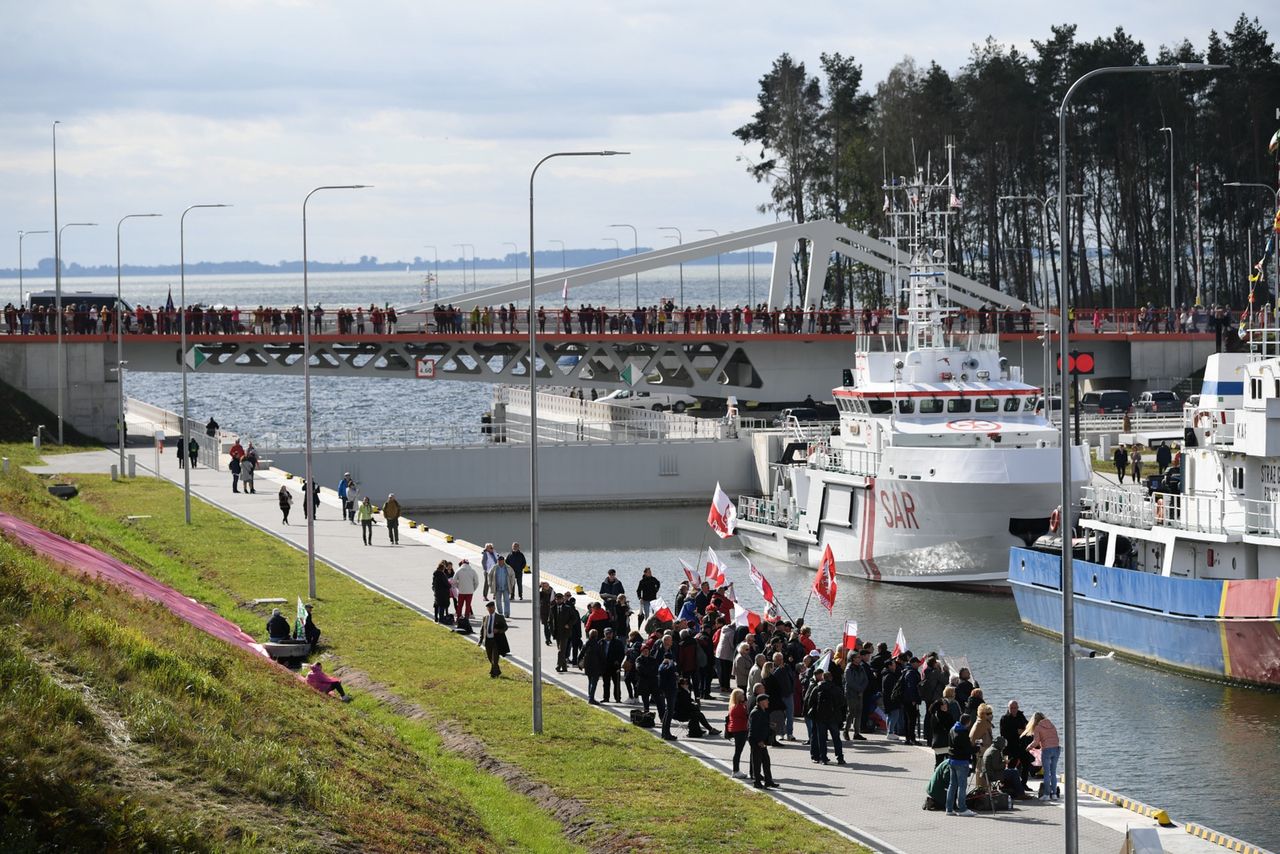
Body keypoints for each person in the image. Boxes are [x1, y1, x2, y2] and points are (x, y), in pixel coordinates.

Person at [1026, 711, 1061, 800]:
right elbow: (1057, 737)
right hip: (1056, 749)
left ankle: (1046, 794)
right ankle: (1054, 794)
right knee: (1053, 773)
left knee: (1046, 773)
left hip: (1047, 750)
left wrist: (1029, 747)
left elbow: (1036, 741)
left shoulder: (1038, 727)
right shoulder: (1051, 725)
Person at [947, 713, 977, 816]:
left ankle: (949, 809)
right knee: (962, 786)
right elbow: (968, 749)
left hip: (952, 760)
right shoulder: (963, 733)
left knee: (952, 785)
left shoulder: (952, 729)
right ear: (968, 723)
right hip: (961, 762)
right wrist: (977, 747)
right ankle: (962, 809)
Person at [748, 693, 779, 789]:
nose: (768, 702)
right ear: (761, 702)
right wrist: (759, 741)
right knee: (757, 762)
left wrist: (769, 725)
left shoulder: (763, 711)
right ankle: (757, 781)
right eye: (766, 700)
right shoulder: (755, 713)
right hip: (757, 741)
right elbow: (753, 729)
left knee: (766, 761)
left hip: (762, 741)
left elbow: (762, 724)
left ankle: (768, 781)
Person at [477, 601, 509, 678]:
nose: (490, 609)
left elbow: (505, 627)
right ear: (487, 609)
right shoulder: (485, 618)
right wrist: (480, 641)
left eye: (491, 608)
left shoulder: (500, 617)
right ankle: (497, 671)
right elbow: (482, 630)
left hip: (496, 641)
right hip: (488, 640)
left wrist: (498, 631)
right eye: (489, 608)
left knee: (495, 658)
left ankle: (494, 674)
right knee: (489, 657)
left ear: (494, 608)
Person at [843, 648, 869, 741]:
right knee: (851, 712)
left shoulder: (861, 668)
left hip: (860, 693)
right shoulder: (849, 669)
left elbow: (865, 680)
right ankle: (846, 731)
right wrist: (859, 689)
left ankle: (857, 732)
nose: (860, 658)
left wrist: (862, 689)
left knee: (859, 713)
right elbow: (850, 682)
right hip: (851, 693)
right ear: (853, 658)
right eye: (857, 657)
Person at [969, 703, 996, 789]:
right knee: (981, 773)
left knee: (984, 773)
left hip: (986, 753)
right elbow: (972, 739)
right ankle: (982, 791)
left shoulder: (984, 723)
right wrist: (980, 747)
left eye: (991, 713)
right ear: (982, 714)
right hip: (982, 753)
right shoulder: (980, 724)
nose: (991, 715)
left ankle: (985, 791)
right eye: (988, 714)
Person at [727, 688, 750, 778]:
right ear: (738, 697)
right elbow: (746, 716)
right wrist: (746, 707)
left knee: (738, 751)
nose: (744, 697)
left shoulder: (733, 706)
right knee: (738, 751)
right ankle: (735, 770)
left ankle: (736, 770)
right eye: (742, 695)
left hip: (737, 729)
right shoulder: (739, 707)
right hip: (740, 729)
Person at [926, 697, 956, 766]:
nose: (946, 705)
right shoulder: (948, 716)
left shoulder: (933, 716)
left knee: (938, 763)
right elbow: (951, 728)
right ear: (940, 706)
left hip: (937, 742)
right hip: (946, 742)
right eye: (944, 704)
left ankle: (937, 776)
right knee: (949, 763)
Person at [582, 629, 606, 704]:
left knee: (590, 681)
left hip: (588, 665)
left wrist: (579, 662)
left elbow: (581, 653)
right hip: (595, 666)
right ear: (596, 636)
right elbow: (602, 656)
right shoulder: (598, 645)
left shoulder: (586, 643)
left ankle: (590, 696)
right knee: (594, 682)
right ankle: (591, 698)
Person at [602, 627, 625, 703]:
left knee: (616, 683)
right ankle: (606, 698)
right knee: (606, 683)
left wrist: (618, 661)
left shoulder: (618, 642)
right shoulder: (601, 642)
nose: (608, 635)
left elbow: (622, 653)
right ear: (604, 634)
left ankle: (618, 698)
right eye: (607, 634)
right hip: (605, 666)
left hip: (615, 666)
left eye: (610, 633)